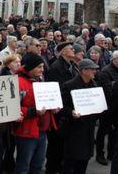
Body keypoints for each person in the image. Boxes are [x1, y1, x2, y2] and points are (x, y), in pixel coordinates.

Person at [14, 53, 57, 174]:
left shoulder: (39, 79)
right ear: (30, 67)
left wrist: (52, 108)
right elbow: (13, 108)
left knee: (38, 165)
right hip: (26, 132)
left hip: (41, 130)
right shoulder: (18, 82)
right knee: (23, 166)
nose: (42, 70)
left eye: (43, 67)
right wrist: (33, 112)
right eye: (39, 67)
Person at [45, 42, 82, 173]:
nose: (74, 50)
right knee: (56, 145)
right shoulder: (56, 68)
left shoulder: (72, 65)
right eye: (71, 49)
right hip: (59, 112)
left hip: (69, 108)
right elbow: (57, 90)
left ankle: (58, 166)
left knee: (63, 145)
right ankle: (51, 168)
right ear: (63, 52)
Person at [61, 59, 101, 174]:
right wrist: (71, 112)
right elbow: (62, 107)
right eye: (92, 69)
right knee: (70, 163)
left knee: (84, 161)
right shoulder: (69, 85)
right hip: (74, 129)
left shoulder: (94, 85)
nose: (95, 72)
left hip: (89, 129)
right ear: (84, 71)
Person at [95, 49, 118, 165]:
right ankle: (100, 154)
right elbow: (107, 91)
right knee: (102, 132)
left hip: (117, 107)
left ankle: (111, 153)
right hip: (106, 107)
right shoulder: (105, 72)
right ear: (113, 59)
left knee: (114, 132)